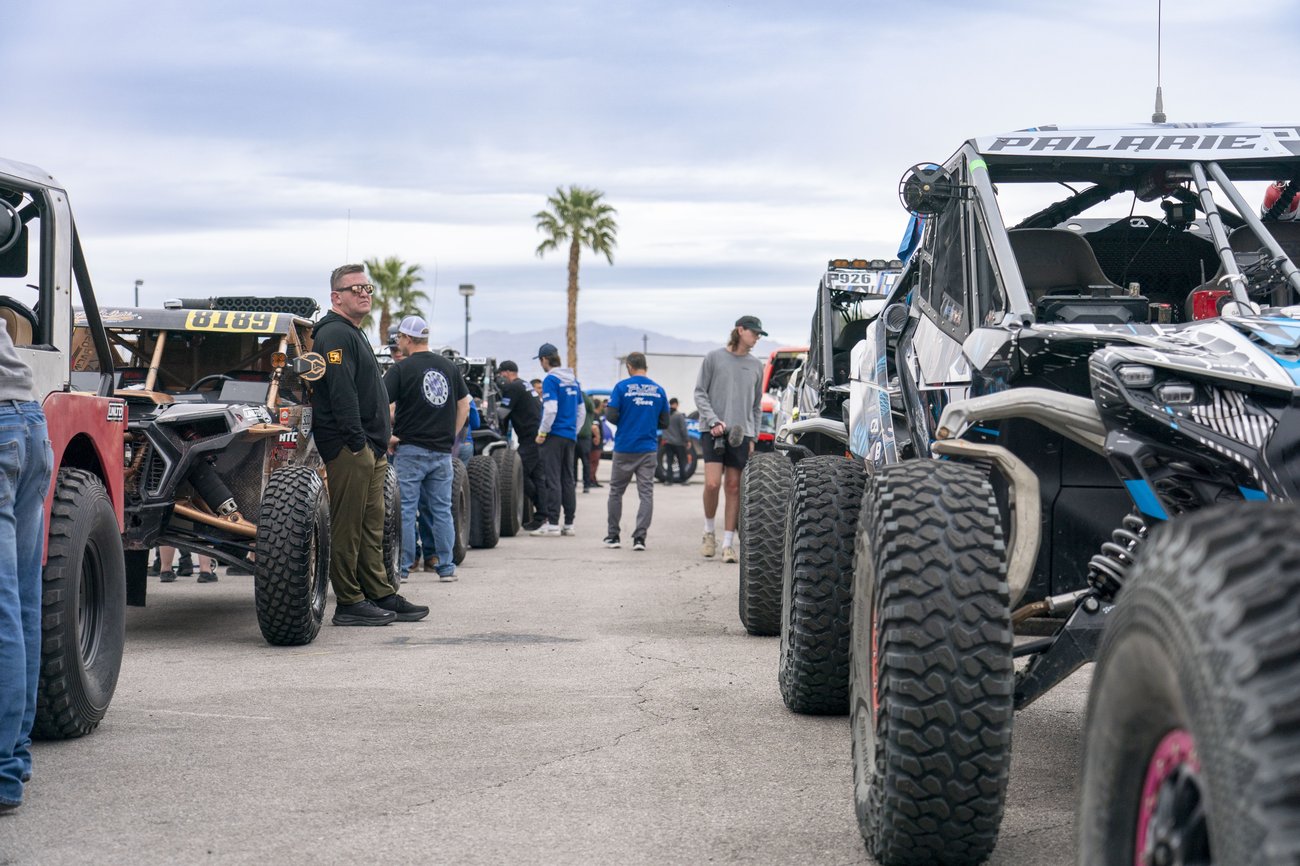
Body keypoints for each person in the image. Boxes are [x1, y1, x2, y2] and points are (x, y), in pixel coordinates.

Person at [311, 265, 428, 625]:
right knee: (348, 526)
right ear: (336, 297)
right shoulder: (333, 333)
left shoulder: (353, 332)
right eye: (355, 288)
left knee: (370, 525)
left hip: (370, 449)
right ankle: (349, 602)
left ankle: (379, 592)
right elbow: (341, 391)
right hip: (350, 448)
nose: (364, 293)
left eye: (368, 287)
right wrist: (356, 443)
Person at [0, 328, 53, 815]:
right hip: (28, 421)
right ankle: (13, 757)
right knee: (20, 602)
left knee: (4, 609)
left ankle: (3, 773)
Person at [384, 315, 469, 584]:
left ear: (408, 339)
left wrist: (388, 436)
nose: (399, 342)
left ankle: (404, 568)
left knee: (406, 510)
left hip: (410, 449)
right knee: (442, 510)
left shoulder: (400, 369)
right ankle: (446, 568)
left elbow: (381, 403)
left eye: (400, 337)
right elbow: (464, 404)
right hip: (442, 452)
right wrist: (450, 435)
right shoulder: (449, 367)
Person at [694, 314, 766, 563]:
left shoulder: (756, 365)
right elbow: (699, 393)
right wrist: (713, 420)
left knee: (734, 487)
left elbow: (756, 406)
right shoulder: (713, 358)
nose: (757, 338)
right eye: (754, 333)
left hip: (741, 434)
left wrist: (753, 436)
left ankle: (727, 544)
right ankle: (708, 533)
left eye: (759, 335)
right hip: (712, 430)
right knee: (712, 484)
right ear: (740, 330)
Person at [603, 353, 669, 551]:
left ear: (629, 367)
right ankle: (640, 538)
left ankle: (613, 536)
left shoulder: (621, 387)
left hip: (624, 447)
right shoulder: (659, 390)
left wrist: (627, 421)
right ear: (646, 367)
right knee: (646, 494)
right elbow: (665, 421)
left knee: (616, 491)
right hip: (647, 448)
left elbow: (611, 415)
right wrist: (647, 423)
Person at [530, 343, 585, 537]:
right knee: (567, 479)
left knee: (552, 479)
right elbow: (581, 411)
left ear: (545, 359)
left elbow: (551, 409)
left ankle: (553, 523)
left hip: (553, 436)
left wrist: (542, 432)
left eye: (541, 361)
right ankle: (569, 523)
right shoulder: (573, 380)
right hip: (569, 436)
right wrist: (573, 431)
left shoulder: (551, 380)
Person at [497, 360, 545, 531]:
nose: (500, 378)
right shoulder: (525, 385)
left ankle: (543, 509)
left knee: (518, 473)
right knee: (537, 476)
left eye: (501, 374)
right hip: (537, 435)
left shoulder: (513, 387)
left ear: (508, 372)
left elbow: (502, 413)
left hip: (530, 438)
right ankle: (542, 515)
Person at [661, 397, 690, 484]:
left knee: (669, 462)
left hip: (668, 442)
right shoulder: (679, 415)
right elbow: (683, 429)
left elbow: (663, 427)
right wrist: (687, 440)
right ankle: (683, 479)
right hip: (678, 443)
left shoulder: (665, 415)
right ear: (676, 404)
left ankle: (668, 480)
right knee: (681, 461)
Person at [575, 389, 599, 492]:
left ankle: (586, 484)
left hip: (585, 437)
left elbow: (590, 404)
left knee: (586, 462)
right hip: (574, 437)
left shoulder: (588, 409)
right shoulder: (575, 409)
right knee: (573, 463)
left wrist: (579, 392)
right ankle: (573, 483)